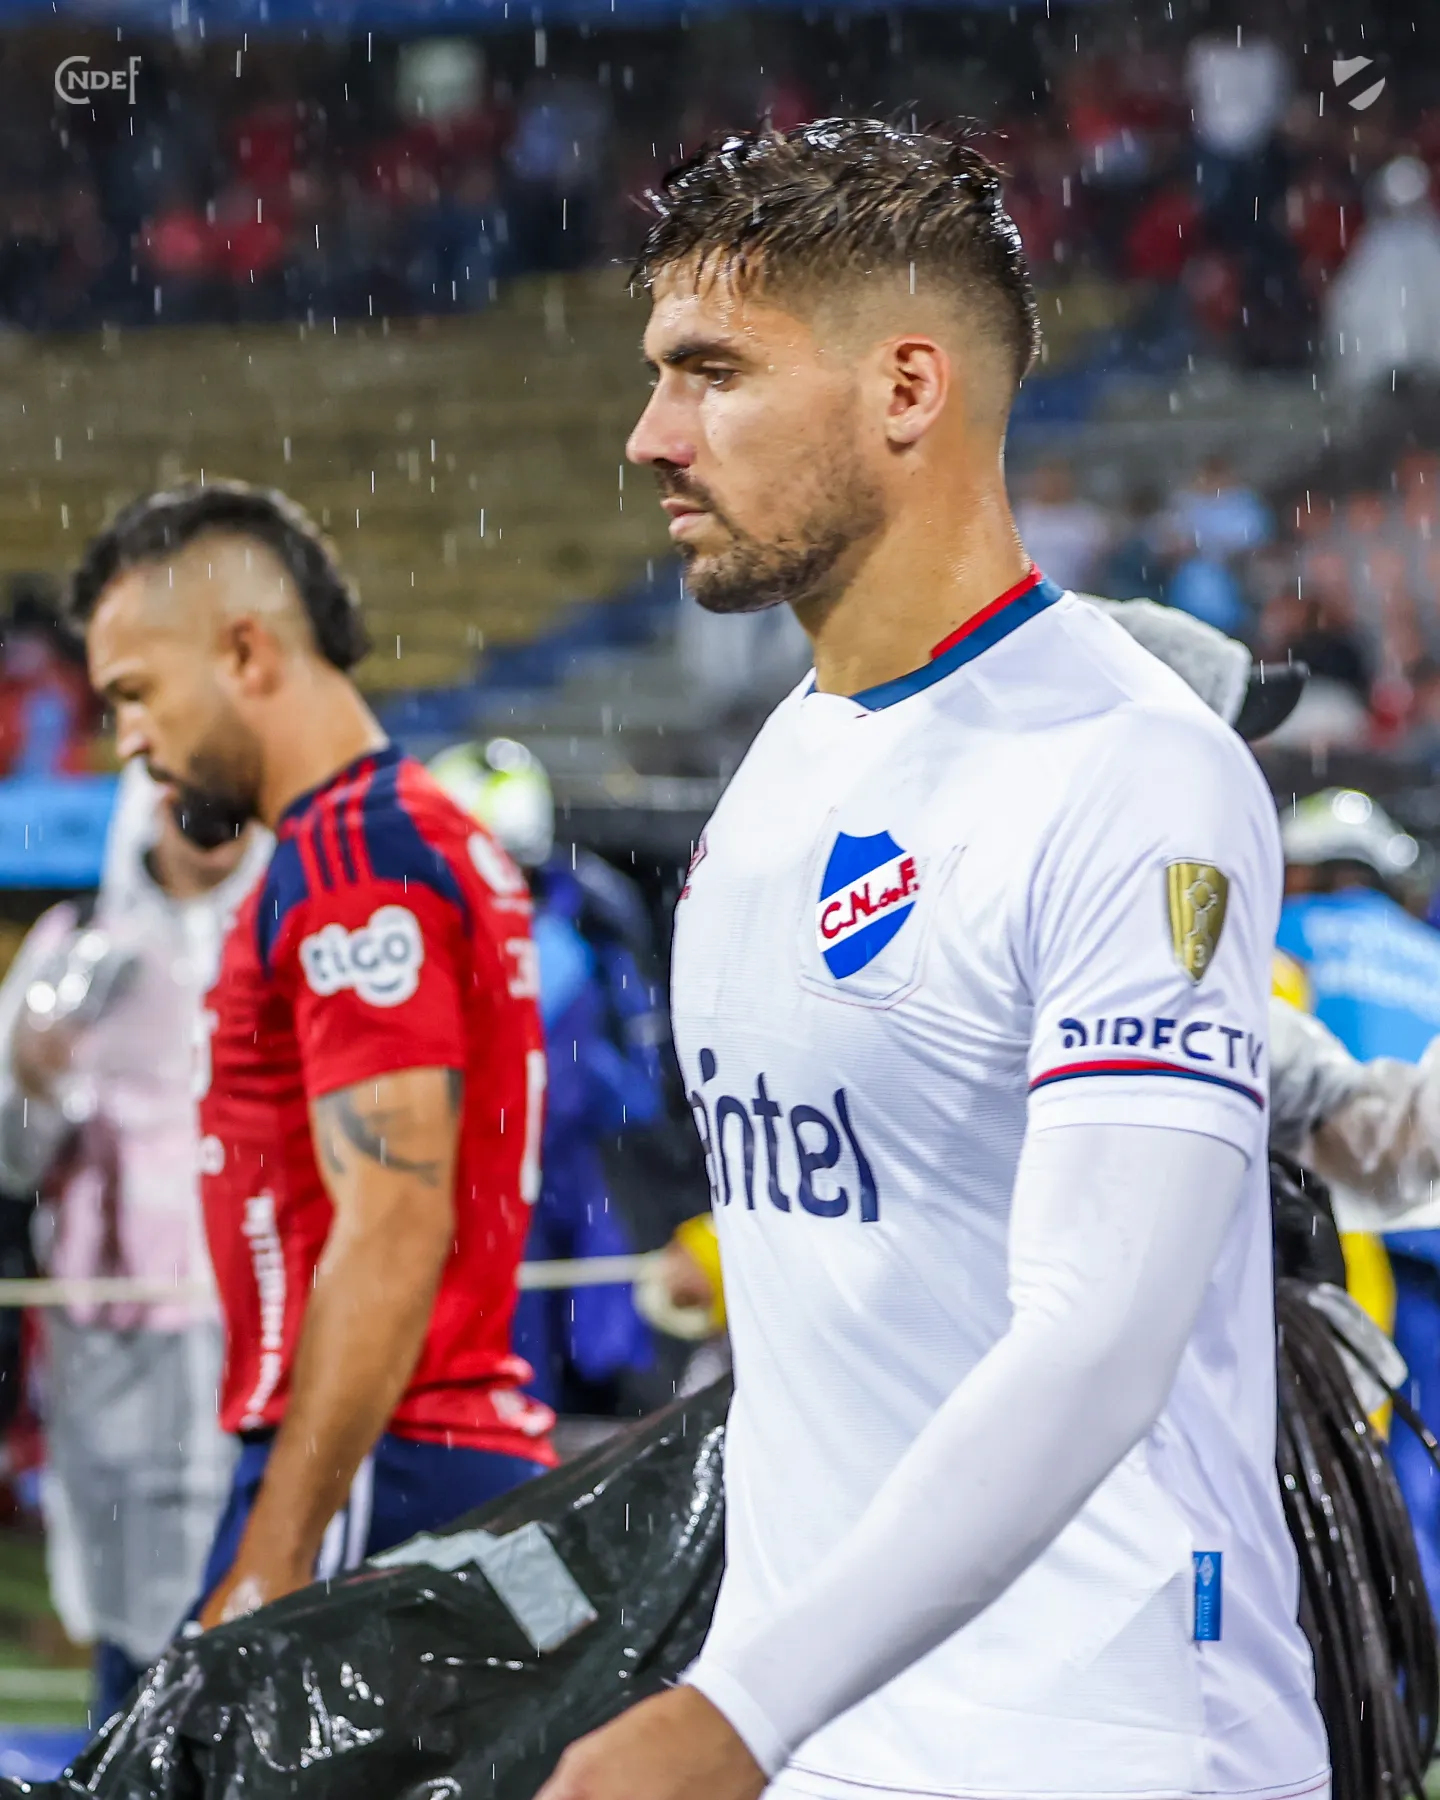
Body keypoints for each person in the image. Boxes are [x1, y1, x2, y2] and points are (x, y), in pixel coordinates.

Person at [538, 120, 1327, 1800]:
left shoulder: (1134, 770)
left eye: (713, 373)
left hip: (1103, 1747)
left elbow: (1098, 1339)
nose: (651, 435)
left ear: (908, 390)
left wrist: (735, 1709)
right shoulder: (782, 768)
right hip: (831, 1740)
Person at [66, 480, 554, 1634]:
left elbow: (391, 1219)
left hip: (374, 1469)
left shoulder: (352, 862)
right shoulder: (404, 830)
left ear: (244, 652)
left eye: (135, 693)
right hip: (426, 1451)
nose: (129, 742)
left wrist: (275, 1556)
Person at [0, 763, 269, 1721]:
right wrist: (35, 1082)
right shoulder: (74, 946)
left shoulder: (289, 930)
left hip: (265, 1319)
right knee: (129, 1598)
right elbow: (14, 1156)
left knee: (261, 1581)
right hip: (114, 1328)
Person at [429, 736, 661, 1413]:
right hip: (492, 1193)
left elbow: (626, 1086)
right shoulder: (578, 916)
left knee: (552, 1378)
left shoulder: (574, 928)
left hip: (554, 1189)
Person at [1276, 786, 1440, 1617]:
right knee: (1427, 1469)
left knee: (1358, 1467)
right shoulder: (1430, 951)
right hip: (1432, 1231)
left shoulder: (1278, 936)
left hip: (1350, 1243)